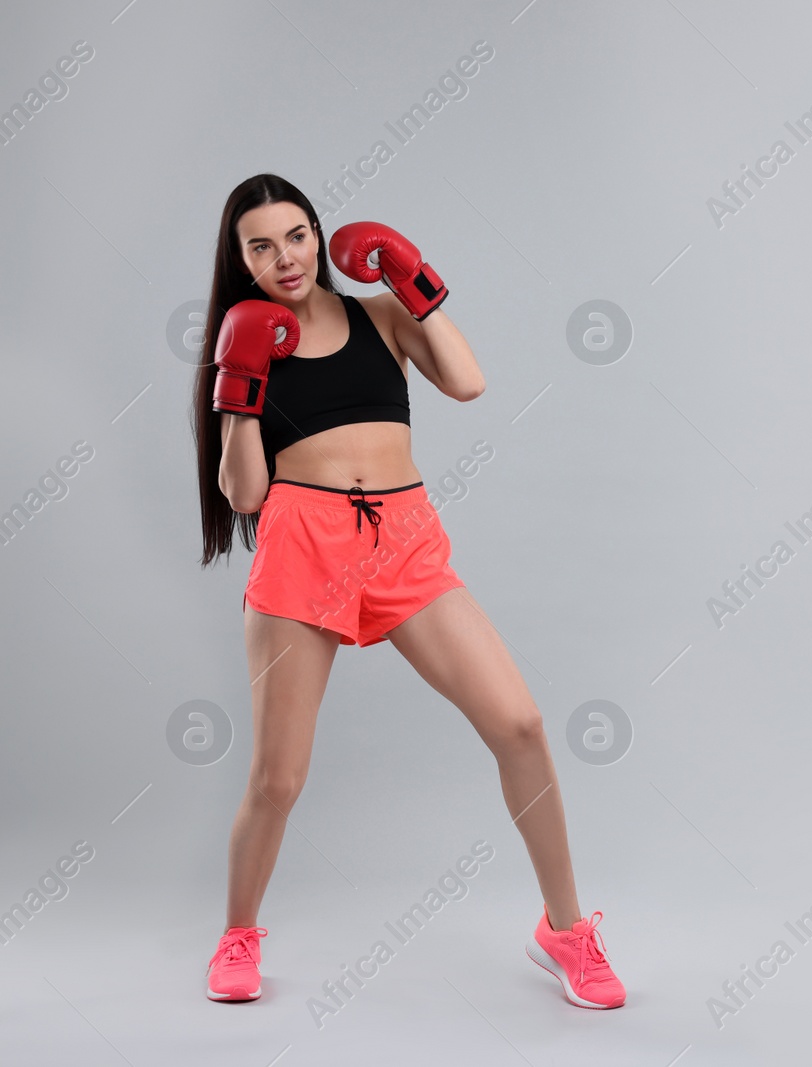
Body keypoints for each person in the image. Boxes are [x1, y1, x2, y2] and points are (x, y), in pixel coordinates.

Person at [191, 173, 624, 1009]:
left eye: (297, 235)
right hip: (301, 546)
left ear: (320, 236)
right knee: (279, 777)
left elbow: (467, 383)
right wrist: (241, 386)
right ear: (240, 261)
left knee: (522, 725)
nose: (285, 257)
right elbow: (244, 494)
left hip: (403, 539)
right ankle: (238, 933)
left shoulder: (378, 316)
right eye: (261, 245)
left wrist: (410, 280)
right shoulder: (251, 337)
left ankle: (566, 930)